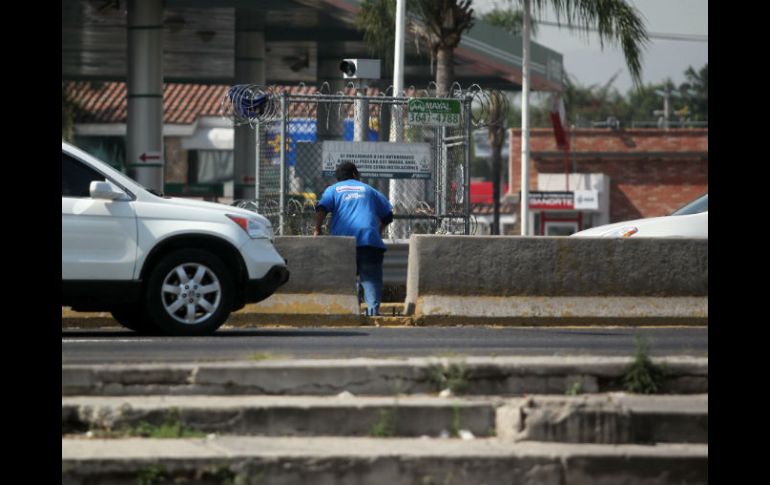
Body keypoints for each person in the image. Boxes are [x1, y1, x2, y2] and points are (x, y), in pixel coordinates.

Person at [314, 162, 393, 316]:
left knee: (345, 276)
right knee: (371, 278)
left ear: (338, 179)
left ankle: (351, 310)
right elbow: (388, 215)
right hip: (369, 241)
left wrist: (317, 229)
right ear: (355, 175)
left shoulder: (333, 190)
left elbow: (321, 208)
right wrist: (378, 231)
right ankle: (372, 312)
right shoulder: (369, 190)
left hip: (343, 243)